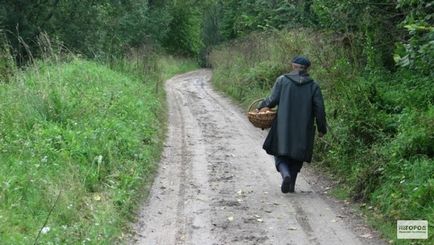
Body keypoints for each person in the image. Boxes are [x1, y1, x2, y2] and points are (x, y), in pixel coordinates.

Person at [257, 56, 327, 193]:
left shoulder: (282, 80)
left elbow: (272, 100)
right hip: (304, 128)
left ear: (293, 66)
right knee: (297, 157)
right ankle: (291, 185)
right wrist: (321, 128)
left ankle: (285, 175)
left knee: (280, 154)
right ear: (307, 69)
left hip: (283, 126)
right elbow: (320, 109)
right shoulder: (314, 86)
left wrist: (261, 107)